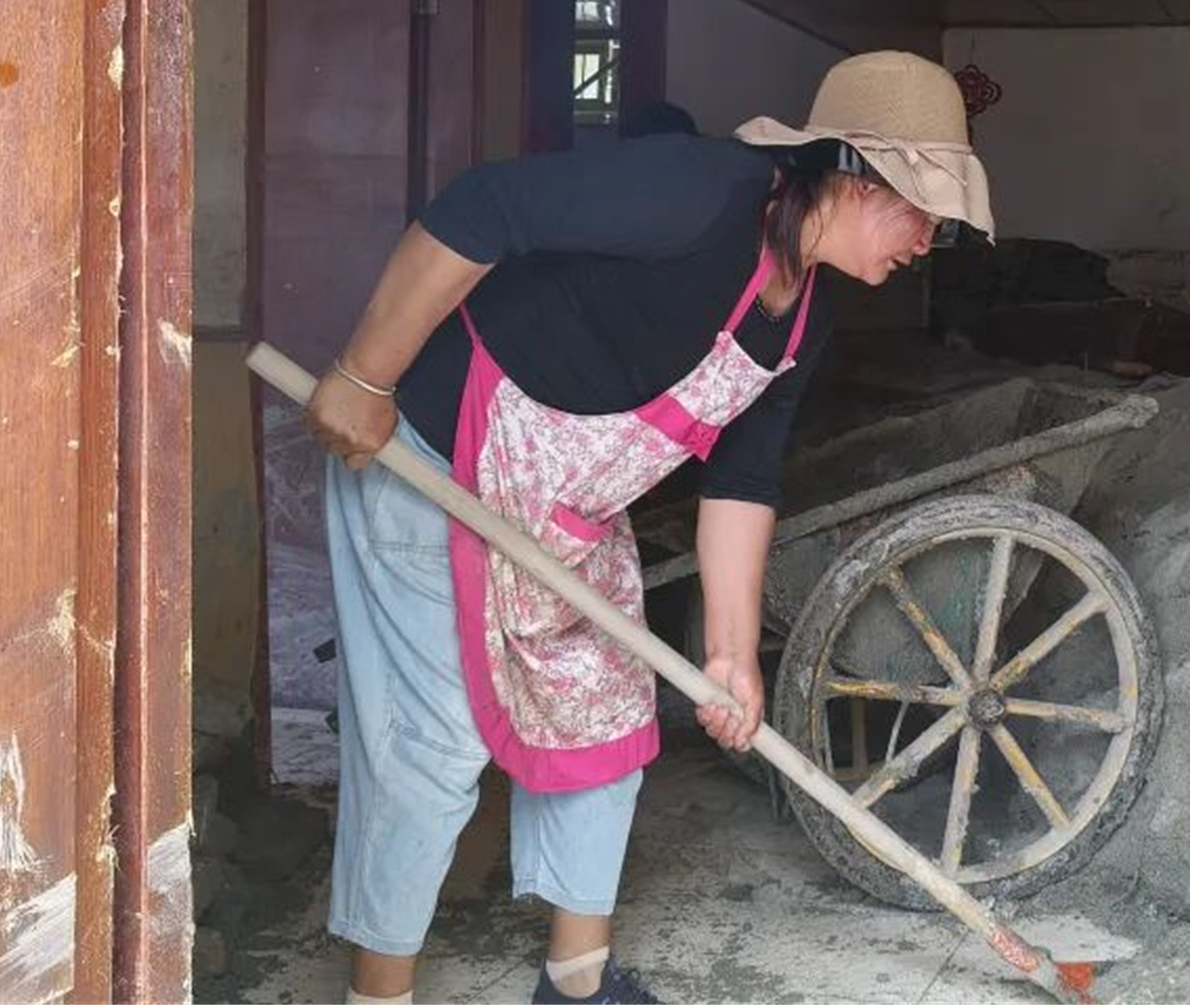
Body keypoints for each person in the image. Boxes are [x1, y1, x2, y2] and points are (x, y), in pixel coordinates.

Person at [303, 51, 995, 1005]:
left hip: (567, 511)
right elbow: (481, 207)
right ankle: (377, 997)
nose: (927, 241)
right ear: (859, 175)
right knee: (432, 746)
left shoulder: (806, 315)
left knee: (610, 716)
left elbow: (742, 479)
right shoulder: (701, 192)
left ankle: (577, 982)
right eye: (926, 213)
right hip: (437, 458)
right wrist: (364, 375)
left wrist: (731, 656)